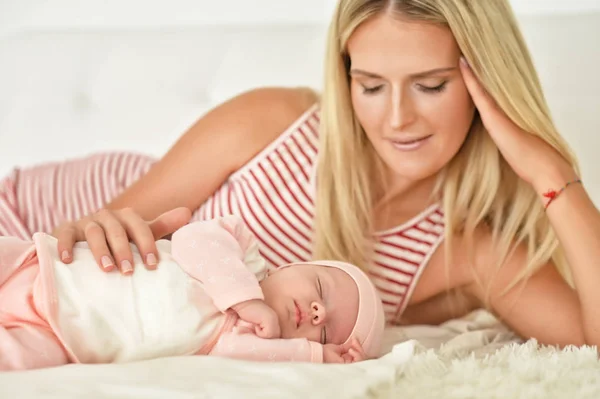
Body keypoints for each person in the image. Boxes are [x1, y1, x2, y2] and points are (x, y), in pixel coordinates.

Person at [0, 0, 598, 348]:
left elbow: (589, 343)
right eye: (369, 86)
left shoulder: (471, 250)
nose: (396, 118)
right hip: (35, 227)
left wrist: (553, 174)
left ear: (485, 84)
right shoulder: (275, 120)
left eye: (431, 85)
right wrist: (97, 237)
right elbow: (106, 222)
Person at [0, 215, 384, 371]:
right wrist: (247, 300)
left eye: (324, 330)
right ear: (291, 266)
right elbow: (192, 238)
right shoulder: (242, 256)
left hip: (62, 337)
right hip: (46, 266)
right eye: (320, 289)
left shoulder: (235, 340)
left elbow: (258, 357)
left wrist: (318, 356)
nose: (318, 312)